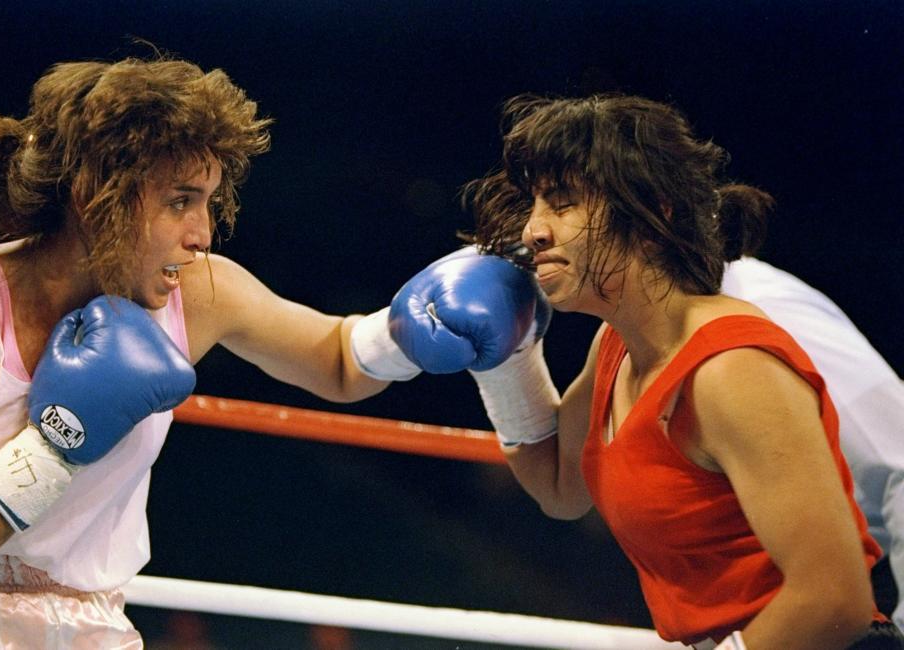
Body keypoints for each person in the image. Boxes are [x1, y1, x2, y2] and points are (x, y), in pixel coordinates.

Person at [0, 54, 544, 647]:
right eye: (179, 201)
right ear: (89, 193)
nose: (201, 233)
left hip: (94, 628)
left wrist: (410, 330)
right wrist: (56, 446)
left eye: (206, 202)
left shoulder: (197, 290)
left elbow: (336, 358)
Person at [377, 93, 904, 648]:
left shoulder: (730, 368)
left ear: (653, 217)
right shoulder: (618, 345)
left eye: (562, 202)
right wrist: (507, 360)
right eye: (535, 203)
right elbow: (561, 488)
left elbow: (834, 599)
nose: (533, 229)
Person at [722, 257, 904, 630]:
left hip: (874, 587)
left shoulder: (763, 306)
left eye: (570, 205)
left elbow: (898, 461)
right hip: (769, 606)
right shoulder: (634, 339)